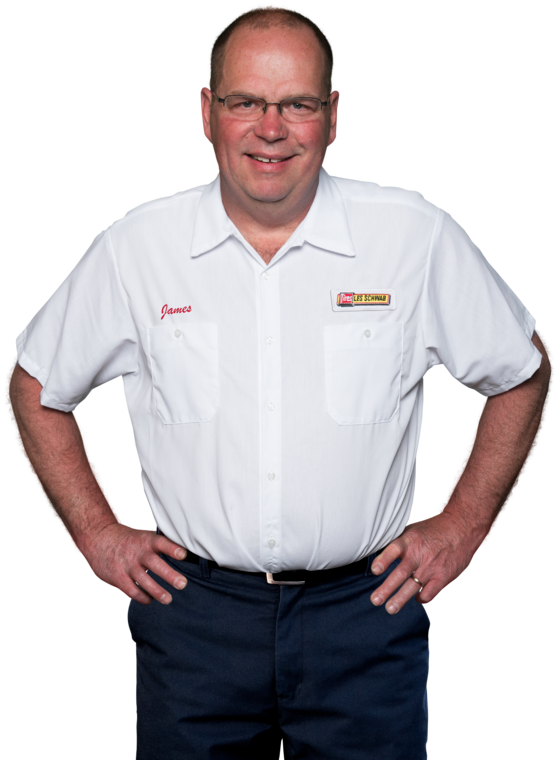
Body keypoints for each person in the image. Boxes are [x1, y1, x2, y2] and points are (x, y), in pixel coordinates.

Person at [4, 3, 554, 759]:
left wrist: (464, 524)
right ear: (207, 111)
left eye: (297, 104)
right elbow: (34, 385)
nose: (271, 129)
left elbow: (523, 370)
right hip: (194, 620)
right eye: (246, 102)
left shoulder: (413, 235)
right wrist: (96, 533)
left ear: (333, 116)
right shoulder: (137, 248)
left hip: (367, 612)